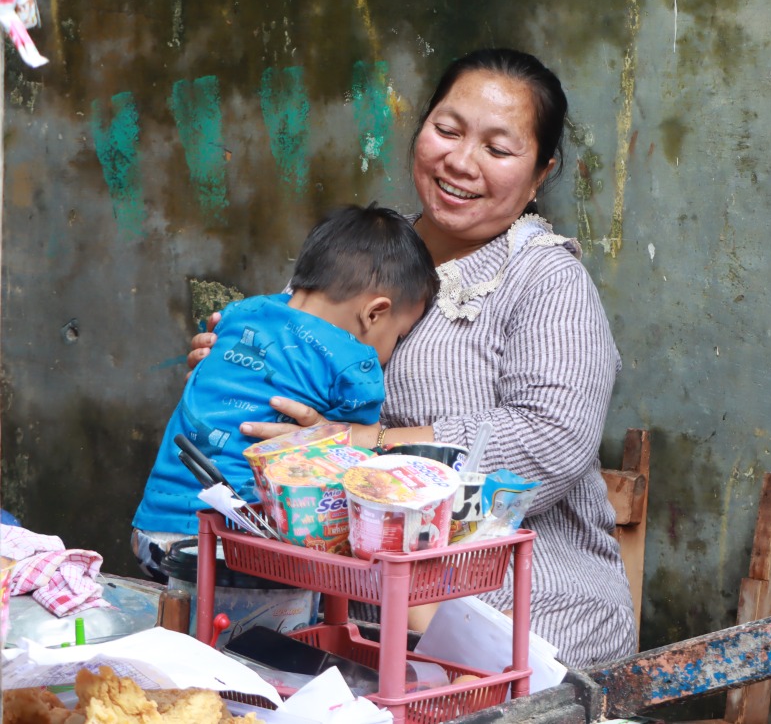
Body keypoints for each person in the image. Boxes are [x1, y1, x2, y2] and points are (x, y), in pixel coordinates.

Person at [189, 48, 635, 668]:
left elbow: (550, 440)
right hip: (345, 613)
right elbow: (294, 366)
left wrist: (361, 444)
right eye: (447, 131)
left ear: (539, 174)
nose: (460, 161)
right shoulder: (367, 247)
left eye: (498, 150)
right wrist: (239, 365)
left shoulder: (544, 280)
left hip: (518, 611)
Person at [132, 204, 436, 577]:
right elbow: (353, 463)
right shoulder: (355, 367)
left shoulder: (239, 314)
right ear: (374, 313)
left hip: (154, 526)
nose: (396, 347)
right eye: (400, 335)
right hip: (237, 542)